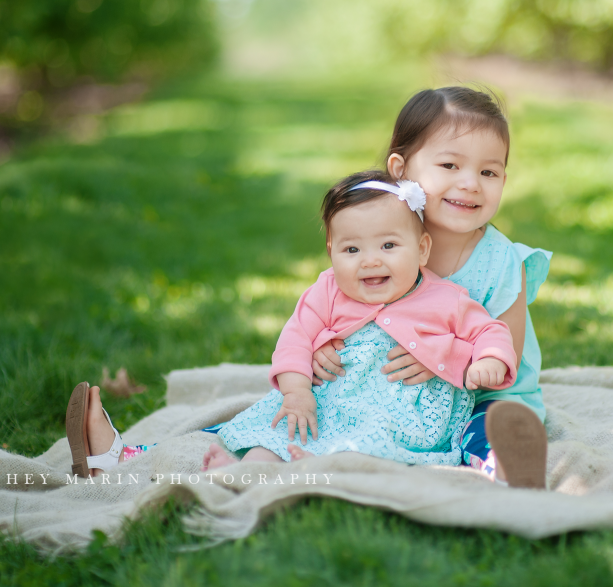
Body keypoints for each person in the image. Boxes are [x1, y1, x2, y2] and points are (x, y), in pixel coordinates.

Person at [67, 170, 518, 476]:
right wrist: (298, 390)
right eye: (352, 250)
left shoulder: (445, 298)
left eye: (388, 245)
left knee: (357, 447)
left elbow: (490, 332)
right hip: (328, 402)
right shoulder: (326, 290)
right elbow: (294, 340)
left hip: (402, 416)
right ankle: (228, 471)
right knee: (271, 428)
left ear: (421, 250)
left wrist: (486, 360)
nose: (369, 262)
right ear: (331, 253)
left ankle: (298, 470)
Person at [310, 87, 551, 489]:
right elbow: (341, 303)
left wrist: (441, 361)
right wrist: (324, 342)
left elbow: (504, 349)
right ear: (400, 170)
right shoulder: (377, 240)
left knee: (483, 427)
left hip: (483, 394)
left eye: (488, 172)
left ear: (504, 180)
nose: (471, 183)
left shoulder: (502, 261)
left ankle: (505, 461)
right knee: (322, 411)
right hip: (394, 390)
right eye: (450, 165)